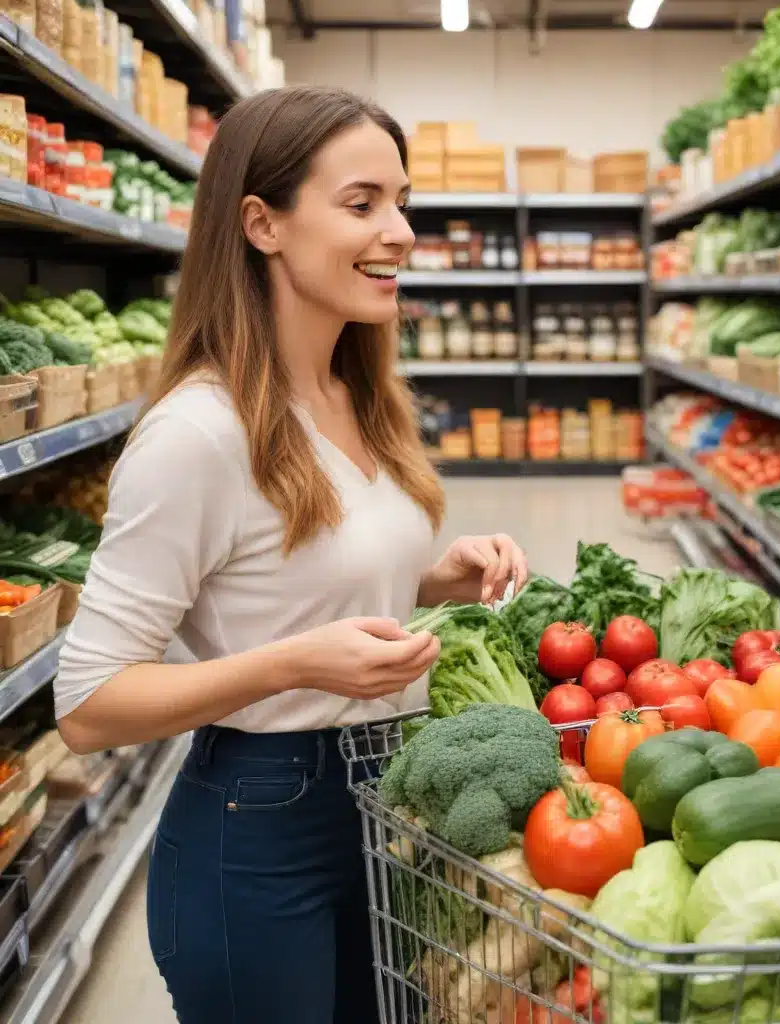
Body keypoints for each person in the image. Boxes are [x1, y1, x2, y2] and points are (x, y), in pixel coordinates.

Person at [52, 86, 528, 1024]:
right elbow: (87, 704)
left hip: (388, 800)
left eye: (403, 204)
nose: (399, 232)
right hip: (261, 827)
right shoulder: (197, 433)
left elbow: (288, 570)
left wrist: (435, 577)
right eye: (362, 205)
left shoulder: (360, 397)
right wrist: (295, 664)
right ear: (262, 224)